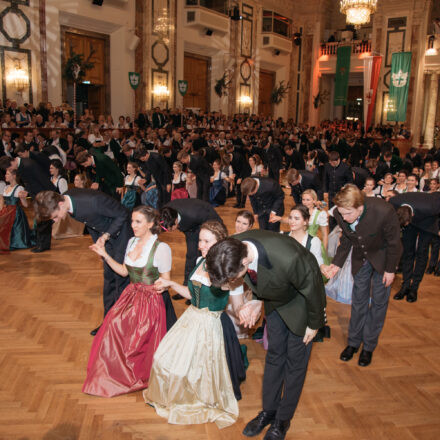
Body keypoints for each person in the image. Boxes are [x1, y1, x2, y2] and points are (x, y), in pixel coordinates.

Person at [205, 230, 326, 440]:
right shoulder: (233, 248)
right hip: (276, 297)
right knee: (274, 356)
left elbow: (313, 287)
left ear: (244, 261)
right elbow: (249, 279)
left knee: (295, 364)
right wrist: (254, 302)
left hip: (302, 301)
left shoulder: (289, 258)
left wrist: (314, 324)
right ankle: (269, 411)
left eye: (233, 279)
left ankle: (283, 420)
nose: (231, 283)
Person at [144, 221, 246, 428]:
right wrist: (171, 284)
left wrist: (247, 311)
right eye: (200, 240)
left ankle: (196, 399)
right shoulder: (200, 260)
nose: (200, 244)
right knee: (163, 358)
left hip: (210, 325)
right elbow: (192, 293)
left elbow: (237, 304)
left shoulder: (227, 271)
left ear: (220, 243)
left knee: (197, 372)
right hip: (191, 317)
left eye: (206, 241)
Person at [82, 206, 175, 397]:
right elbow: (124, 271)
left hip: (150, 300)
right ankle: (112, 372)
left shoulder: (161, 248)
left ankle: (134, 373)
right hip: (131, 295)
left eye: (138, 222)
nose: (133, 225)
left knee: (137, 342)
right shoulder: (132, 241)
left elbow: (166, 281)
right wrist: (105, 255)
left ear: (150, 224)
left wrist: (154, 287)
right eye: (132, 221)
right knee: (112, 326)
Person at [34, 189, 133, 335]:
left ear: (60, 204)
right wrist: (99, 245)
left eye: (55, 216)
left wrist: (106, 236)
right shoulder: (68, 201)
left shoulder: (92, 202)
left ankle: (120, 325)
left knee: (120, 280)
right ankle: (108, 321)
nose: (55, 220)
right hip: (105, 237)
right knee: (109, 279)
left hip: (122, 234)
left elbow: (123, 214)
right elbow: (91, 223)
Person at [323, 184, 402, 367]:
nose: (344, 218)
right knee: (358, 301)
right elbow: (347, 241)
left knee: (378, 304)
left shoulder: (384, 211)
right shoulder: (340, 213)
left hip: (383, 259)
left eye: (348, 214)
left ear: (360, 207)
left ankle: (368, 346)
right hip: (361, 258)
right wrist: (336, 264)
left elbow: (394, 243)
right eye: (341, 214)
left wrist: (391, 270)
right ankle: (353, 343)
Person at [389, 191, 440, 302]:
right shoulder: (394, 202)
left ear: (411, 216)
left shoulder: (432, 206)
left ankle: (414, 288)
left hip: (427, 223)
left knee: (422, 253)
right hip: (411, 223)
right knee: (407, 252)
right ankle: (405, 285)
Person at [160, 198, 222, 287]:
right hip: (190, 227)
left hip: (207, 219)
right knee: (191, 255)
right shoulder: (166, 212)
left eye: (171, 229)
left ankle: (210, 284)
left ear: (176, 221)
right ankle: (187, 286)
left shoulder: (193, 213)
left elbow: (215, 222)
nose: (171, 232)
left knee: (209, 254)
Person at [0, 155, 55, 253]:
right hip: (37, 195)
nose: (11, 170)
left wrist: (51, 194)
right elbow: (29, 183)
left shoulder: (28, 165)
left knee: (43, 222)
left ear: (12, 162)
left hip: (43, 195)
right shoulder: (22, 166)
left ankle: (43, 245)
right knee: (41, 221)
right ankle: (42, 244)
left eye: (10, 168)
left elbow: (42, 179)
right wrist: (27, 192)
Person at [0, 168, 34, 250]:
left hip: (15, 213)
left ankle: (15, 243)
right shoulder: (6, 187)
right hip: (7, 211)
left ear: (14, 176)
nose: (5, 176)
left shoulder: (19, 188)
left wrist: (22, 198)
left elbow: (25, 205)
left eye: (7, 174)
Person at [49, 159, 84, 240]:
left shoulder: (61, 181)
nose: (50, 170)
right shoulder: (50, 179)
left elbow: (64, 196)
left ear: (57, 169)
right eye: (50, 168)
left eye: (52, 168)